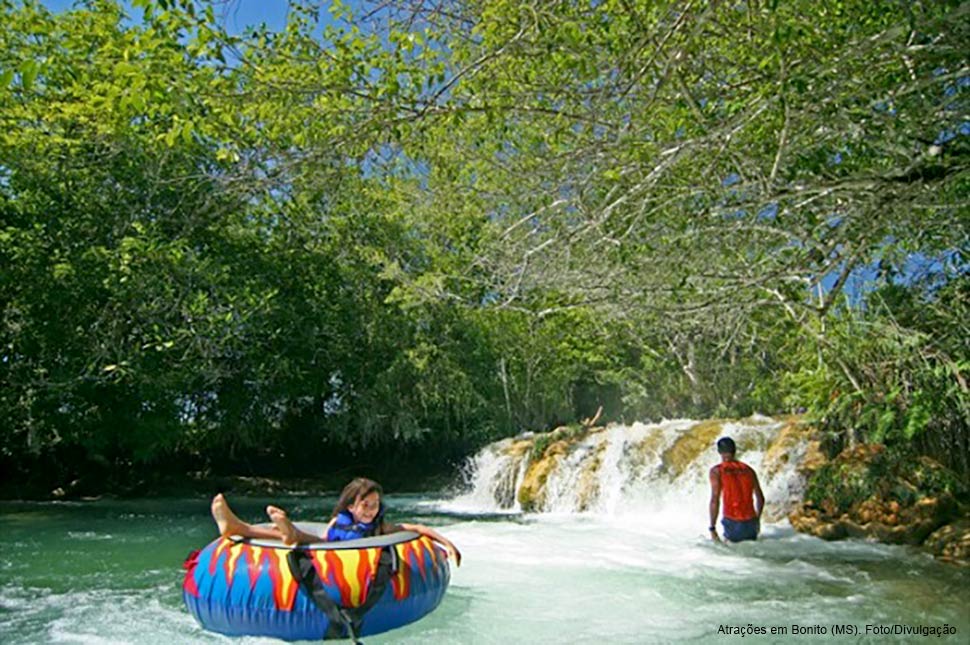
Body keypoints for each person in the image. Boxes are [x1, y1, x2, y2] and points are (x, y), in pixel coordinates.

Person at [210, 477, 461, 565]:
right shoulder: (337, 522)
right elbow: (325, 538)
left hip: (338, 553)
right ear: (351, 507)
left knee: (290, 535)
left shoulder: (380, 528)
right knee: (282, 532)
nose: (371, 511)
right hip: (323, 547)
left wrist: (448, 544)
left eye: (375, 506)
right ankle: (238, 526)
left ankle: (278, 530)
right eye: (365, 505)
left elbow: (416, 528)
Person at [708, 437, 764, 543]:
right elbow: (760, 498)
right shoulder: (749, 470)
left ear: (719, 452)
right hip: (751, 521)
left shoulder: (717, 471)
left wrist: (712, 527)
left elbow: (715, 500)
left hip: (732, 520)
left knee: (730, 556)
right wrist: (757, 519)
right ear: (735, 450)